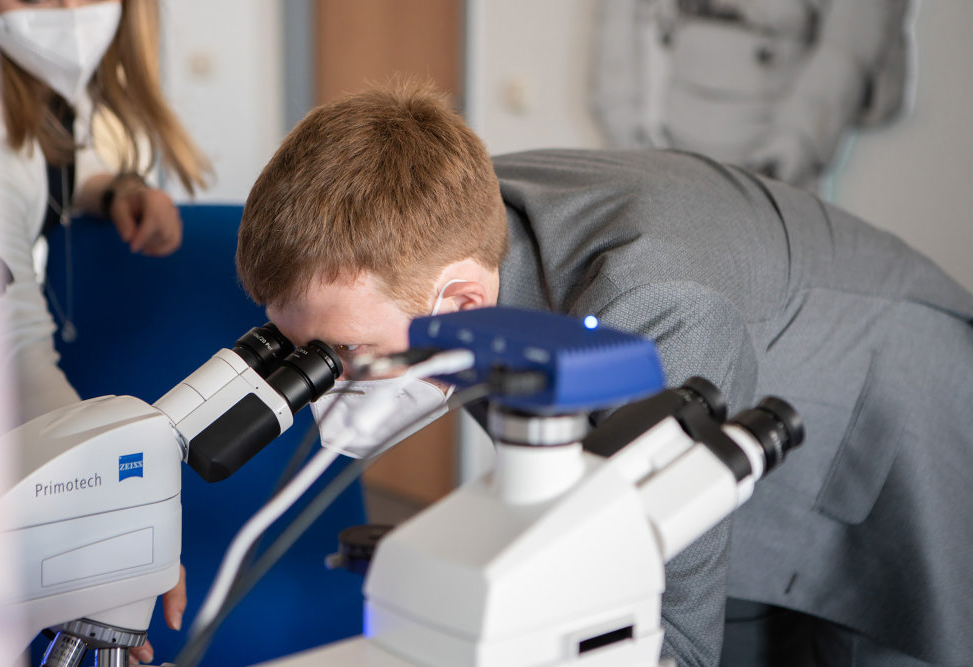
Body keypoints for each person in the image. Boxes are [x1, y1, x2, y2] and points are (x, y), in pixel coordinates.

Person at [235, 81, 973, 666]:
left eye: (347, 355)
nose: (329, 383)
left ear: (458, 300)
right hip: (749, 398)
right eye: (308, 353)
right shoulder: (447, 234)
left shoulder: (651, 309)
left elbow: (670, 640)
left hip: (894, 438)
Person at [0, 0, 211, 662]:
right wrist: (112, 515)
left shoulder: (31, 101)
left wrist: (111, 192)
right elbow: (8, 356)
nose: (63, 8)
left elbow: (41, 167)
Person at [590, 0, 914, 192]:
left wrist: (799, 138)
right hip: (672, 140)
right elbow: (620, 16)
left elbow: (850, 40)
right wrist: (621, 109)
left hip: (775, 147)